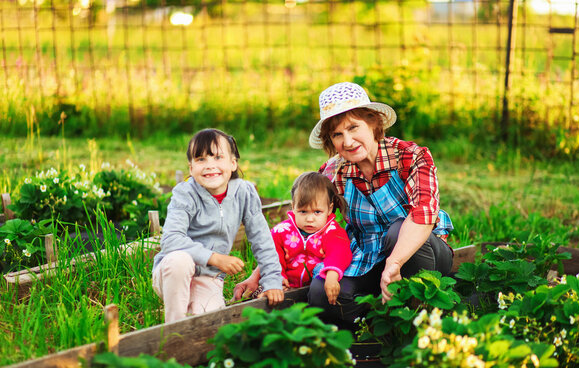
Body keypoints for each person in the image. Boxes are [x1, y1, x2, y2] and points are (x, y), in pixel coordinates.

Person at [307, 81, 454, 328]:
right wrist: (266, 274)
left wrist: (394, 264)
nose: (348, 141)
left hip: (422, 253)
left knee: (398, 231)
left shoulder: (409, 156)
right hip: (368, 255)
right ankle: (376, 320)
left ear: (374, 123)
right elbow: (308, 220)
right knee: (322, 293)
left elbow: (424, 213)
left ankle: (417, 315)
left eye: (354, 127)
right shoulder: (333, 172)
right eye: (337, 134)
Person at [152, 128, 284, 323]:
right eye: (201, 159)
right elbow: (171, 240)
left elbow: (262, 239)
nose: (209, 165)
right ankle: (173, 327)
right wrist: (214, 258)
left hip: (209, 277)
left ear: (232, 163)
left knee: (210, 323)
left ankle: (193, 308)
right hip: (173, 273)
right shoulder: (185, 193)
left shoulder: (244, 192)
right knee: (180, 260)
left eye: (217, 157)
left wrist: (272, 281)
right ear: (191, 168)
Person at [270, 172, 352, 305]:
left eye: (317, 212)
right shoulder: (281, 231)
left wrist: (332, 276)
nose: (309, 219)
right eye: (303, 211)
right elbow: (272, 255)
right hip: (286, 288)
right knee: (264, 294)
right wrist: (276, 276)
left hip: (317, 288)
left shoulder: (332, 232)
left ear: (329, 208)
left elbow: (339, 253)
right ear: (293, 206)